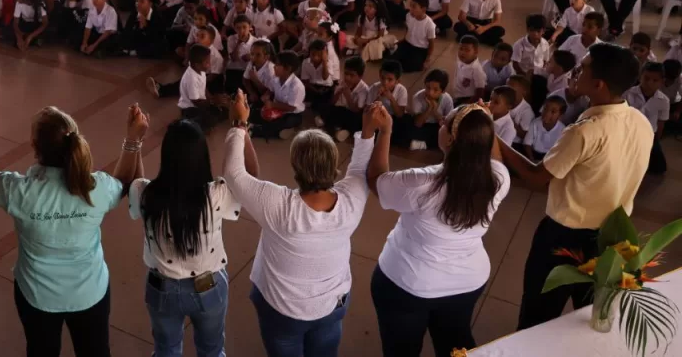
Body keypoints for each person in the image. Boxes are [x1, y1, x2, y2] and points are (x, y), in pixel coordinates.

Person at [0, 95, 147, 357]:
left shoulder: (20, 192)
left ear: (35, 147)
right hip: (90, 292)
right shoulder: (95, 189)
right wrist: (133, 139)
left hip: (37, 297)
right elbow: (125, 181)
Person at [497, 43, 653, 330]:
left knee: (539, 312)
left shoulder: (585, 131)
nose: (575, 72)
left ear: (598, 84)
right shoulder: (641, 123)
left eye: (582, 68)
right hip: (611, 240)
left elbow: (535, 177)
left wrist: (497, 143)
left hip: (564, 239)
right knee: (591, 315)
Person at [223, 91, 370, 356]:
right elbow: (360, 169)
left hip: (281, 311)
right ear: (334, 164)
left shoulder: (278, 204)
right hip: (332, 307)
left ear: (295, 166)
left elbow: (234, 174)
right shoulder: (352, 201)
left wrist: (240, 125)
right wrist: (368, 132)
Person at [366, 102, 509, 357]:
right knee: (454, 344)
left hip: (408, 285)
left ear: (451, 139)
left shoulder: (422, 182)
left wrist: (385, 132)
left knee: (401, 350)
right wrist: (482, 124)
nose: (441, 122)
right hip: (466, 283)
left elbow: (376, 180)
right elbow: (494, 157)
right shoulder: (499, 178)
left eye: (445, 122)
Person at [129, 118, 253, 357]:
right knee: (211, 350)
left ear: (166, 156)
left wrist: (135, 139)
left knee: (166, 351)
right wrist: (241, 127)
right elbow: (248, 182)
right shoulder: (215, 196)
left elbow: (135, 183)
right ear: (201, 157)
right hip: (208, 288)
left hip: (161, 288)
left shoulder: (146, 194)